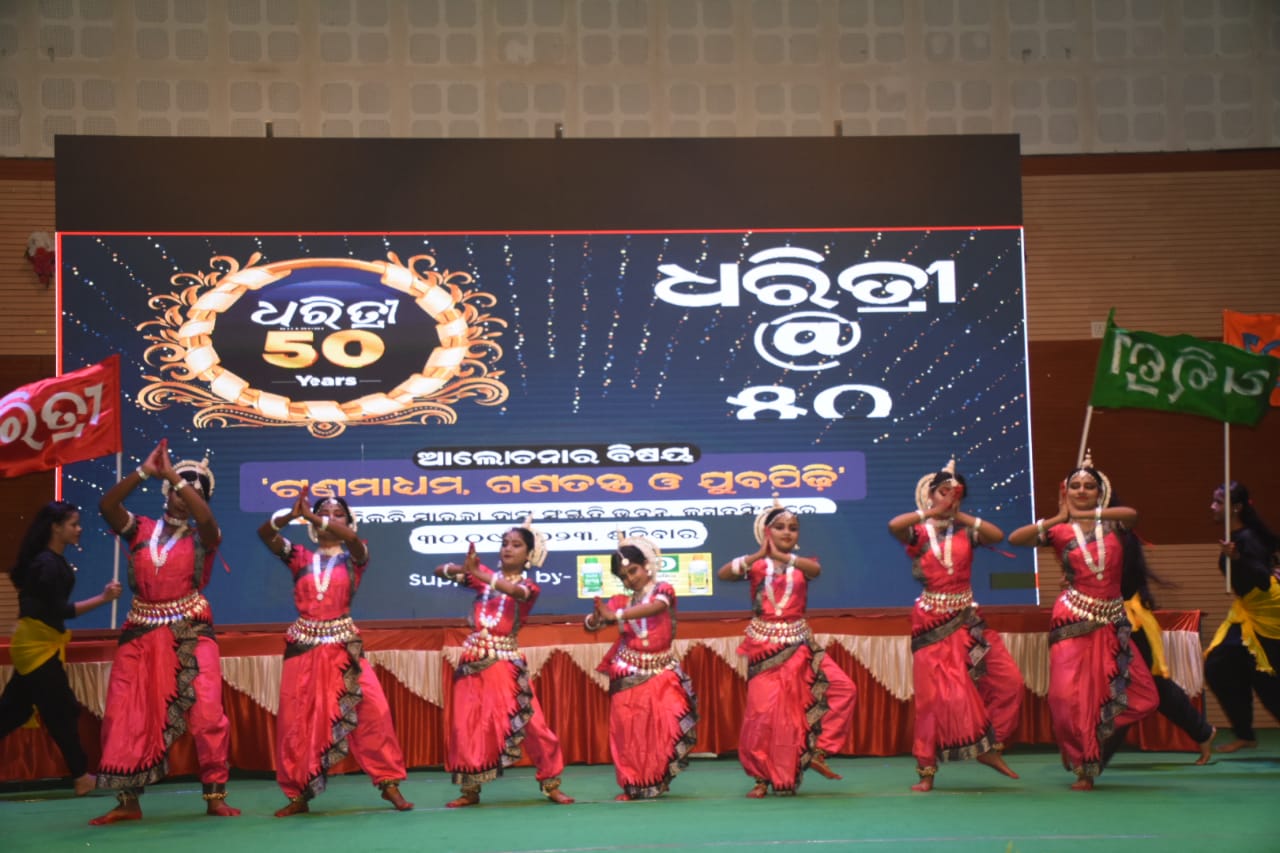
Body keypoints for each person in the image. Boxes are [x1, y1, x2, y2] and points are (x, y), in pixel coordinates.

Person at [90, 440, 240, 824]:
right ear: (165, 493)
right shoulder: (140, 529)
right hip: (140, 632)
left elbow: (206, 519)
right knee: (125, 713)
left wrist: (174, 473)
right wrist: (144, 471)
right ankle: (128, 802)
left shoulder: (205, 536)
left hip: (190, 629)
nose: (183, 498)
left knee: (207, 712)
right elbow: (107, 506)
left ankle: (215, 796)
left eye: (193, 494)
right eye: (176, 490)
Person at [256, 489, 413, 816]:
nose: (329, 518)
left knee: (374, 711)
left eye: (337, 513)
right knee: (299, 721)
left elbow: (351, 539)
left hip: (343, 646)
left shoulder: (356, 556)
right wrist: (290, 516)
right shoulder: (300, 557)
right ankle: (299, 794)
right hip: (305, 647)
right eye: (323, 513)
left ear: (348, 521)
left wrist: (314, 516)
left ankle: (389, 783)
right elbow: (266, 535)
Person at [1008, 451, 1158, 790]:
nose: (1081, 491)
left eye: (1089, 486)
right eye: (1075, 486)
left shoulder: (1114, 524)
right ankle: (1084, 766)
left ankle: (1096, 731)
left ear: (1100, 492)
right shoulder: (1058, 529)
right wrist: (1058, 517)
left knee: (1144, 694)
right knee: (1066, 699)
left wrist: (1088, 513)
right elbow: (1016, 539)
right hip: (1072, 619)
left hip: (1111, 621)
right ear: (1065, 491)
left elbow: (1133, 514)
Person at [887, 460, 1021, 791]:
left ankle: (989, 746)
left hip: (968, 620)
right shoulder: (919, 532)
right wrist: (932, 512)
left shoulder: (965, 531)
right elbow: (894, 525)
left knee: (1009, 682)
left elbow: (997, 535)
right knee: (933, 701)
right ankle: (926, 770)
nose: (949, 498)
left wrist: (960, 515)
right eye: (943, 492)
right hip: (931, 622)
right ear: (930, 494)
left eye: (956, 493)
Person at [716, 501, 856, 797]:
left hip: (800, 646)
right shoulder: (756, 566)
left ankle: (818, 750)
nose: (787, 532)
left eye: (793, 528)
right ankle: (761, 778)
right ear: (766, 532)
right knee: (763, 714)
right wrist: (759, 554)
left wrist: (782, 556)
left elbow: (815, 569)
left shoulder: (803, 565)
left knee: (843, 689)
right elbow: (723, 573)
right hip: (764, 648)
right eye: (779, 527)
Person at [434, 521, 575, 807]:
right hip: (473, 662)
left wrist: (478, 574)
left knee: (534, 724)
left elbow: (517, 593)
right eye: (505, 543)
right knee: (468, 726)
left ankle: (551, 782)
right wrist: (463, 569)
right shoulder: (483, 577)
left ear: (529, 555)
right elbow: (439, 571)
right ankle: (470, 790)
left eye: (516, 545)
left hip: (506, 665)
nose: (508, 548)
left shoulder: (528, 587)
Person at [0, 501, 121, 796]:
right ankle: (81, 776)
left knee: (14, 711)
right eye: (73, 524)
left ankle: (81, 775)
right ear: (56, 528)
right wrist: (103, 599)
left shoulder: (49, 561)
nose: (79, 529)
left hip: (38, 644)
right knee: (60, 711)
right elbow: (57, 611)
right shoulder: (47, 564)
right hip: (37, 647)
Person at [583, 534, 697, 800]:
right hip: (628, 672)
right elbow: (594, 624)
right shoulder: (620, 602)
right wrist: (595, 619)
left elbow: (657, 608)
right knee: (630, 733)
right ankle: (634, 783)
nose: (630, 579)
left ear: (647, 565)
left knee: (666, 726)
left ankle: (657, 777)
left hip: (662, 672)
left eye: (633, 571)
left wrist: (616, 616)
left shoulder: (663, 590)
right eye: (623, 577)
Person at [1119, 529, 1216, 763]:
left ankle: (1202, 732)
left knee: (1156, 687)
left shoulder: (1120, 547)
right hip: (1113, 624)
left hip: (1132, 625)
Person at [1203, 482, 1280, 753]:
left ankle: (1245, 733)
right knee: (1220, 665)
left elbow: (1262, 579)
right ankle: (1245, 734)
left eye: (1218, 502)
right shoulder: (1241, 536)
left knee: (1267, 679)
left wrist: (1237, 558)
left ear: (1235, 507)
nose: (1212, 506)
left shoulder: (1246, 539)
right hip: (1247, 611)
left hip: (1267, 612)